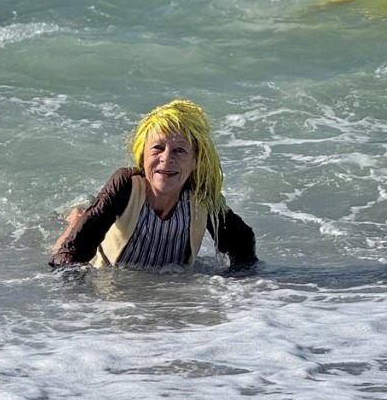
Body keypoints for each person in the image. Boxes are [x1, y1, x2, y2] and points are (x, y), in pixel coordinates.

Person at [49, 99, 257, 272]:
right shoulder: (126, 186)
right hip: (107, 269)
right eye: (158, 148)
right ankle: (74, 219)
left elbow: (243, 242)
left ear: (195, 161)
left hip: (163, 284)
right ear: (142, 156)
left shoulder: (201, 199)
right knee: (70, 236)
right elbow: (73, 251)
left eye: (179, 150)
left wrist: (236, 290)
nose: (166, 159)